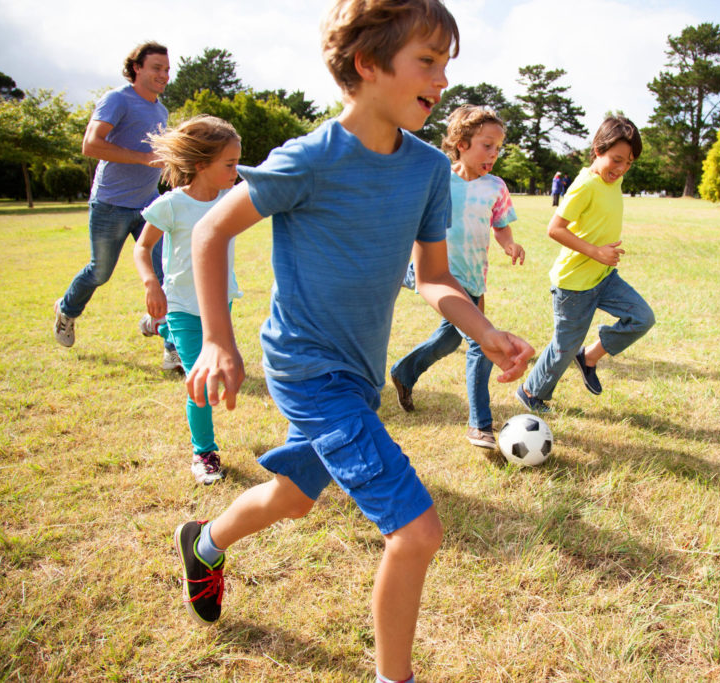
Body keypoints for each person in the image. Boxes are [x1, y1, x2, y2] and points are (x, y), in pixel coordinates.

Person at [172, 3, 533, 683]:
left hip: (358, 374)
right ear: (367, 64)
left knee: (295, 495)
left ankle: (204, 540)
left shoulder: (427, 169)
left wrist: (484, 330)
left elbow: (431, 278)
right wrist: (216, 341)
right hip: (308, 370)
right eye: (427, 60)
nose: (441, 77)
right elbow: (210, 231)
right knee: (417, 531)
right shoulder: (311, 159)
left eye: (446, 63)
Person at [390, 105, 525, 450]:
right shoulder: (438, 179)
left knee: (450, 339)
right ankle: (480, 424)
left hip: (472, 279)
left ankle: (404, 373)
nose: (494, 154)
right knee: (480, 344)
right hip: (434, 273)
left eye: (498, 148)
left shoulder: (496, 187)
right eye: (487, 145)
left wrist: (509, 244)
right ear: (461, 143)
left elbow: (501, 226)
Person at [53, 41, 181, 371]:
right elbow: (90, 144)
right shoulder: (116, 99)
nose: (164, 75)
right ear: (136, 67)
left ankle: (171, 348)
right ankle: (67, 310)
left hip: (148, 205)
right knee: (100, 272)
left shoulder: (161, 111)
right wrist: (143, 158)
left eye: (167, 69)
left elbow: (158, 158)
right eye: (156, 68)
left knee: (168, 272)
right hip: (110, 203)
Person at [515, 115, 655, 414]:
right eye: (616, 160)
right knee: (563, 347)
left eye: (628, 163)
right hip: (574, 284)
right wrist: (596, 252)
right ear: (597, 149)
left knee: (642, 318)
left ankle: (589, 356)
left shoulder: (613, 178)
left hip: (604, 276)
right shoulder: (584, 184)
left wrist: (602, 258)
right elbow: (554, 228)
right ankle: (530, 392)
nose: (621, 169)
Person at [132, 116, 243, 485]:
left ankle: (155, 323)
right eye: (229, 164)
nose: (236, 171)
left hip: (219, 302)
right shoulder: (172, 205)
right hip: (181, 302)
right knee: (202, 377)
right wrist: (152, 284)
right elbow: (142, 248)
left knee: (222, 376)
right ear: (200, 165)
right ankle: (204, 452)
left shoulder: (231, 200)